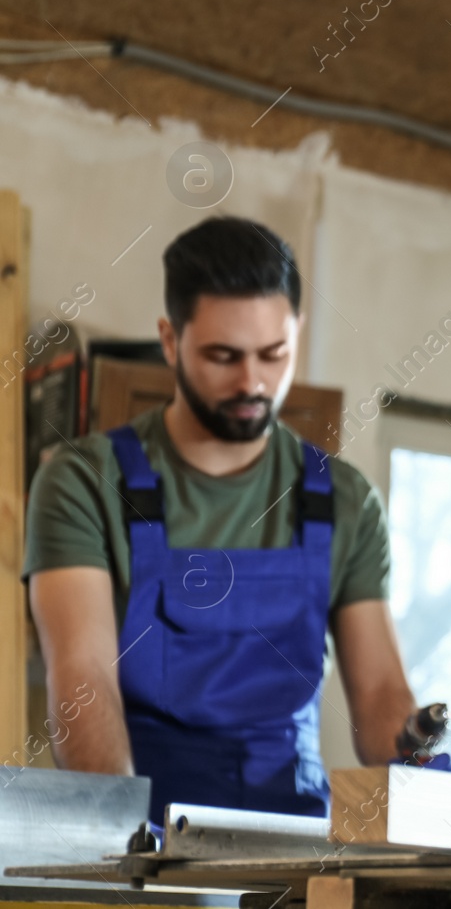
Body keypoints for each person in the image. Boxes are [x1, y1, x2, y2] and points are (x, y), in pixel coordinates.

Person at [26, 217, 426, 823]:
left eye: (274, 354)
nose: (252, 382)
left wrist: (421, 763)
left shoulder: (345, 500)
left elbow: (376, 696)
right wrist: (124, 842)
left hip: (292, 845)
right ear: (169, 341)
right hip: (143, 830)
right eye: (223, 356)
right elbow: (82, 680)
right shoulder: (84, 482)